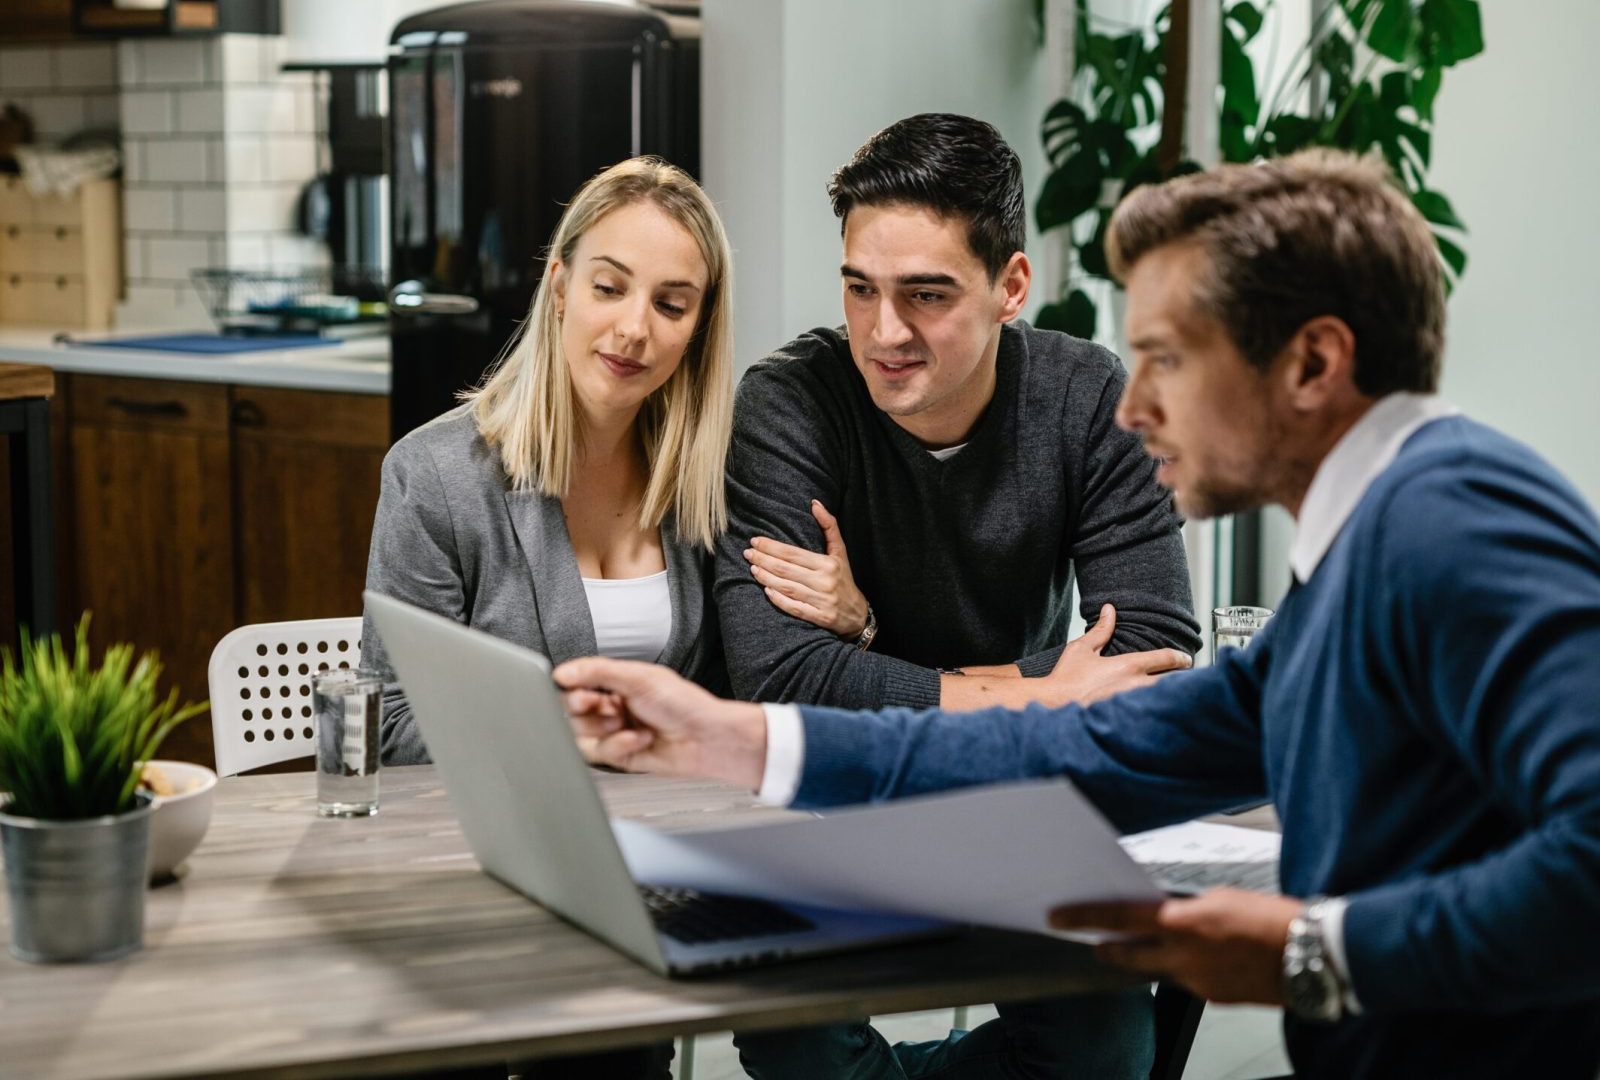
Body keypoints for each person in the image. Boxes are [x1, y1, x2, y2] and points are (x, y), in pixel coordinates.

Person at [555, 150, 1600, 1080]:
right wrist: (730, 736)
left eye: (1169, 358)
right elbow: (1086, 751)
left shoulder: (1452, 519)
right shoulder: (1368, 550)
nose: (1133, 405)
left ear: (1314, 364)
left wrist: (1311, 950)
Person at [716, 113, 1200, 1078]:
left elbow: (1151, 654)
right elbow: (777, 677)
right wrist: (1036, 694)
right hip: (829, 804)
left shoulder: (1088, 399)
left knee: (1106, 1046)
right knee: (797, 1044)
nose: (884, 332)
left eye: (925, 295)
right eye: (860, 289)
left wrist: (866, 645)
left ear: (1010, 287)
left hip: (1015, 798)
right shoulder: (791, 402)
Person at [360, 156, 854, 1080]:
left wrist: (854, 616)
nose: (634, 328)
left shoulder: (706, 486)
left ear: (698, 326)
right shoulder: (434, 478)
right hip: (476, 879)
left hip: (647, 879)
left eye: (672, 304)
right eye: (609, 287)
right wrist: (579, 730)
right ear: (559, 286)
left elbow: (751, 678)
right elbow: (390, 721)